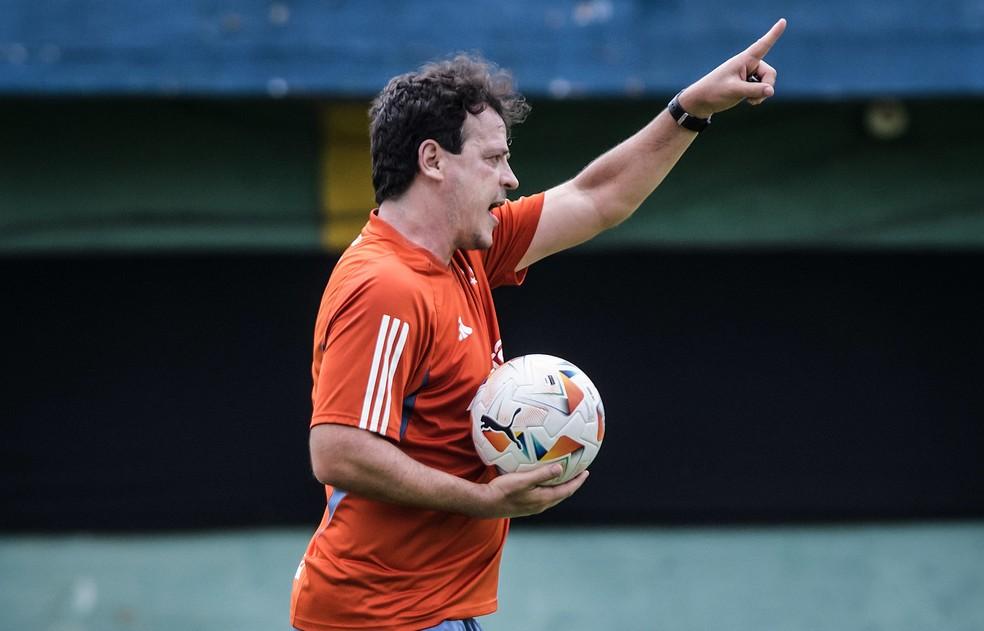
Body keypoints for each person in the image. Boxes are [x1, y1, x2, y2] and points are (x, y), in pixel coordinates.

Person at [290, 18, 786, 631]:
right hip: (378, 619)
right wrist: (481, 500)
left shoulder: (468, 253)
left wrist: (689, 109)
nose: (510, 178)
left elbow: (597, 198)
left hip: (437, 613)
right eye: (495, 158)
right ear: (432, 161)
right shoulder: (387, 285)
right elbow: (337, 451)